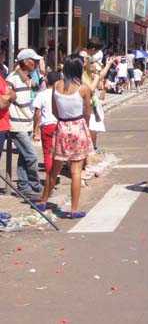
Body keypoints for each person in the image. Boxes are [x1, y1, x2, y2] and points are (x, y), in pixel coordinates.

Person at [38, 54, 94, 218]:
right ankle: (73, 210)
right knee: (76, 171)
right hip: (78, 127)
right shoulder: (83, 88)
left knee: (54, 169)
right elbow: (87, 112)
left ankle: (43, 200)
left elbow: (54, 110)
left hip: (61, 127)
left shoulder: (56, 85)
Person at [7, 49, 43, 199]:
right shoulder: (12, 79)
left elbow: (39, 87)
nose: (36, 63)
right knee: (31, 156)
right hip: (17, 124)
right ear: (25, 61)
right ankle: (34, 184)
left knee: (24, 157)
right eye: (33, 60)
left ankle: (24, 185)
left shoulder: (27, 77)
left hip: (27, 122)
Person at [33, 71, 60, 207]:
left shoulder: (42, 94)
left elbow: (37, 113)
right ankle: (54, 179)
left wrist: (35, 130)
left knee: (48, 155)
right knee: (57, 156)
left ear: (47, 81)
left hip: (47, 126)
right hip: (59, 126)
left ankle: (49, 183)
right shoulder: (60, 94)